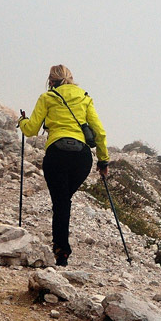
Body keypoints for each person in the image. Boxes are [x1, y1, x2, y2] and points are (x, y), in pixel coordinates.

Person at [18, 65, 109, 266]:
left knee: (60, 202)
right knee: (64, 200)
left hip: (56, 154)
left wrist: (22, 121)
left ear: (51, 81)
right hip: (82, 158)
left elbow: (31, 129)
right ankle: (61, 250)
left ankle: (62, 252)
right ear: (71, 78)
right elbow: (100, 132)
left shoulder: (47, 98)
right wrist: (103, 161)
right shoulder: (84, 97)